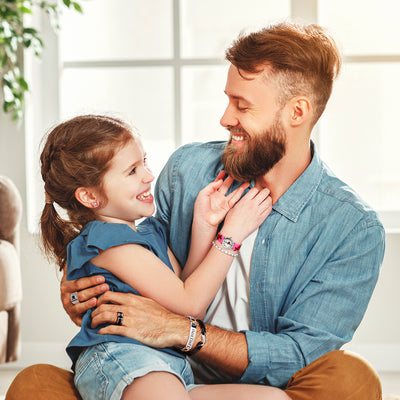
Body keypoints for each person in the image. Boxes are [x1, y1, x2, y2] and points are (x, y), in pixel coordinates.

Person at [6, 22, 385, 400]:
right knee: (33, 385)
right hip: (157, 364)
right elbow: (149, 268)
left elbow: (301, 354)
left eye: (242, 105)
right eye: (227, 99)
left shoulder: (353, 227)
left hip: (249, 376)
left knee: (350, 379)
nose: (225, 118)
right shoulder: (188, 169)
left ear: (297, 112)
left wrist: (181, 330)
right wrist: (83, 290)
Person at [37, 114, 272, 400]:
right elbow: (192, 303)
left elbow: (182, 297)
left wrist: (204, 223)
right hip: (120, 359)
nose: (148, 176)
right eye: (132, 171)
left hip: (168, 367)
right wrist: (231, 235)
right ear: (89, 197)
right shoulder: (105, 242)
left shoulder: (150, 233)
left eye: (144, 162)